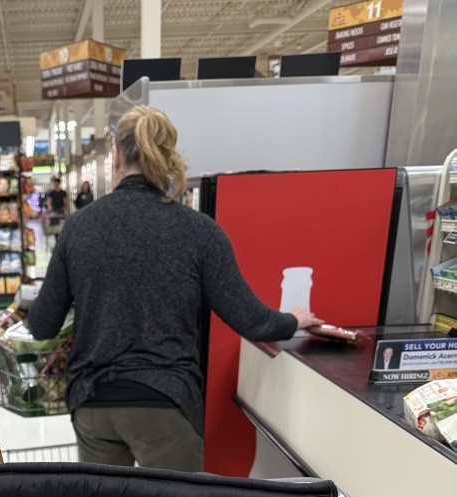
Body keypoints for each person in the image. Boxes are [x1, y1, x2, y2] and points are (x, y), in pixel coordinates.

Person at [25, 105, 320, 472]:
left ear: (116, 156)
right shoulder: (199, 231)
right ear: (168, 157)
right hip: (165, 401)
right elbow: (250, 319)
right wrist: (293, 319)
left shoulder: (79, 228)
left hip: (94, 401)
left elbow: (42, 325)